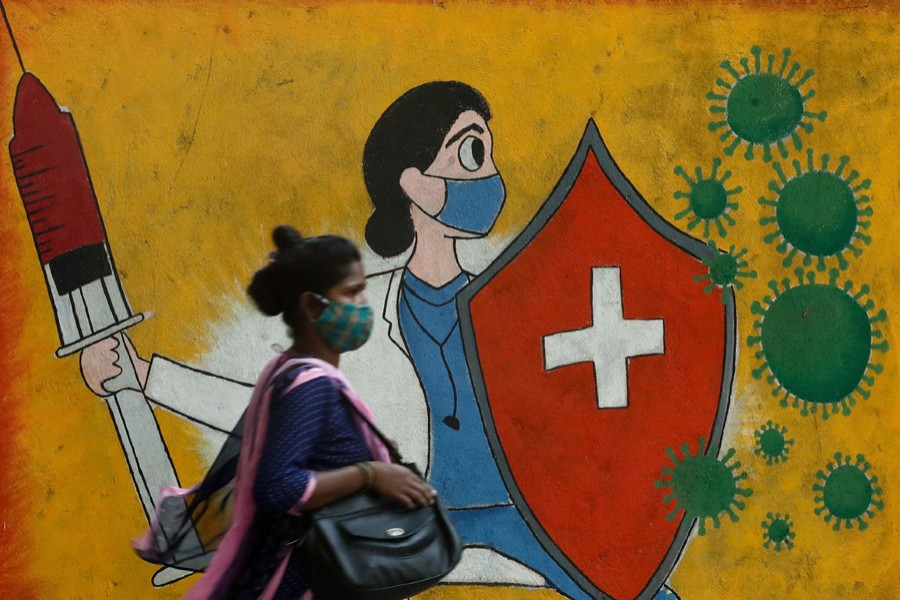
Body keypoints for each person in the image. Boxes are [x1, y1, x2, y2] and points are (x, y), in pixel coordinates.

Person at [180, 225, 437, 599]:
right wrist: (371, 473)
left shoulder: (289, 369)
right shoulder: (311, 385)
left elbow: (306, 452)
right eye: (351, 292)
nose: (363, 305)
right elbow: (277, 486)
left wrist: (367, 451)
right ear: (313, 306)